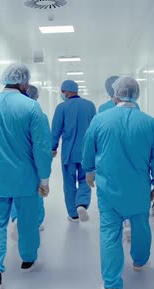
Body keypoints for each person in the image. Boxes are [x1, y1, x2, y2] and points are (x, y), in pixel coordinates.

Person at [82, 77, 154, 289]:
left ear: (115, 95)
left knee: (110, 233)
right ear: (136, 95)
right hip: (139, 188)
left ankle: (112, 287)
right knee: (140, 226)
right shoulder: (150, 123)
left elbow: (88, 150)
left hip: (109, 188)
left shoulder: (100, 120)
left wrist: (89, 172)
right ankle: (139, 261)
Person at [0, 64, 52, 289]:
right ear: (24, 83)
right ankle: (27, 260)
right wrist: (44, 179)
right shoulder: (31, 107)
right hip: (25, 179)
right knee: (28, 221)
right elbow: (41, 147)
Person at [51, 80, 97, 222]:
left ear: (67, 91)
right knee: (85, 179)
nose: (62, 94)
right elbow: (95, 129)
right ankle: (82, 204)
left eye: (63, 92)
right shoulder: (90, 106)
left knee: (69, 182)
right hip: (87, 152)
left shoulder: (61, 107)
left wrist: (53, 147)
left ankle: (73, 214)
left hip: (68, 153)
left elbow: (56, 130)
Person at [10, 84, 46, 240]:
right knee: (35, 197)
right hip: (31, 165)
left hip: (9, 163)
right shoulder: (38, 114)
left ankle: (16, 218)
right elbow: (42, 145)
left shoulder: (7, 113)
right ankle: (35, 223)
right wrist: (45, 175)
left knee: (14, 194)